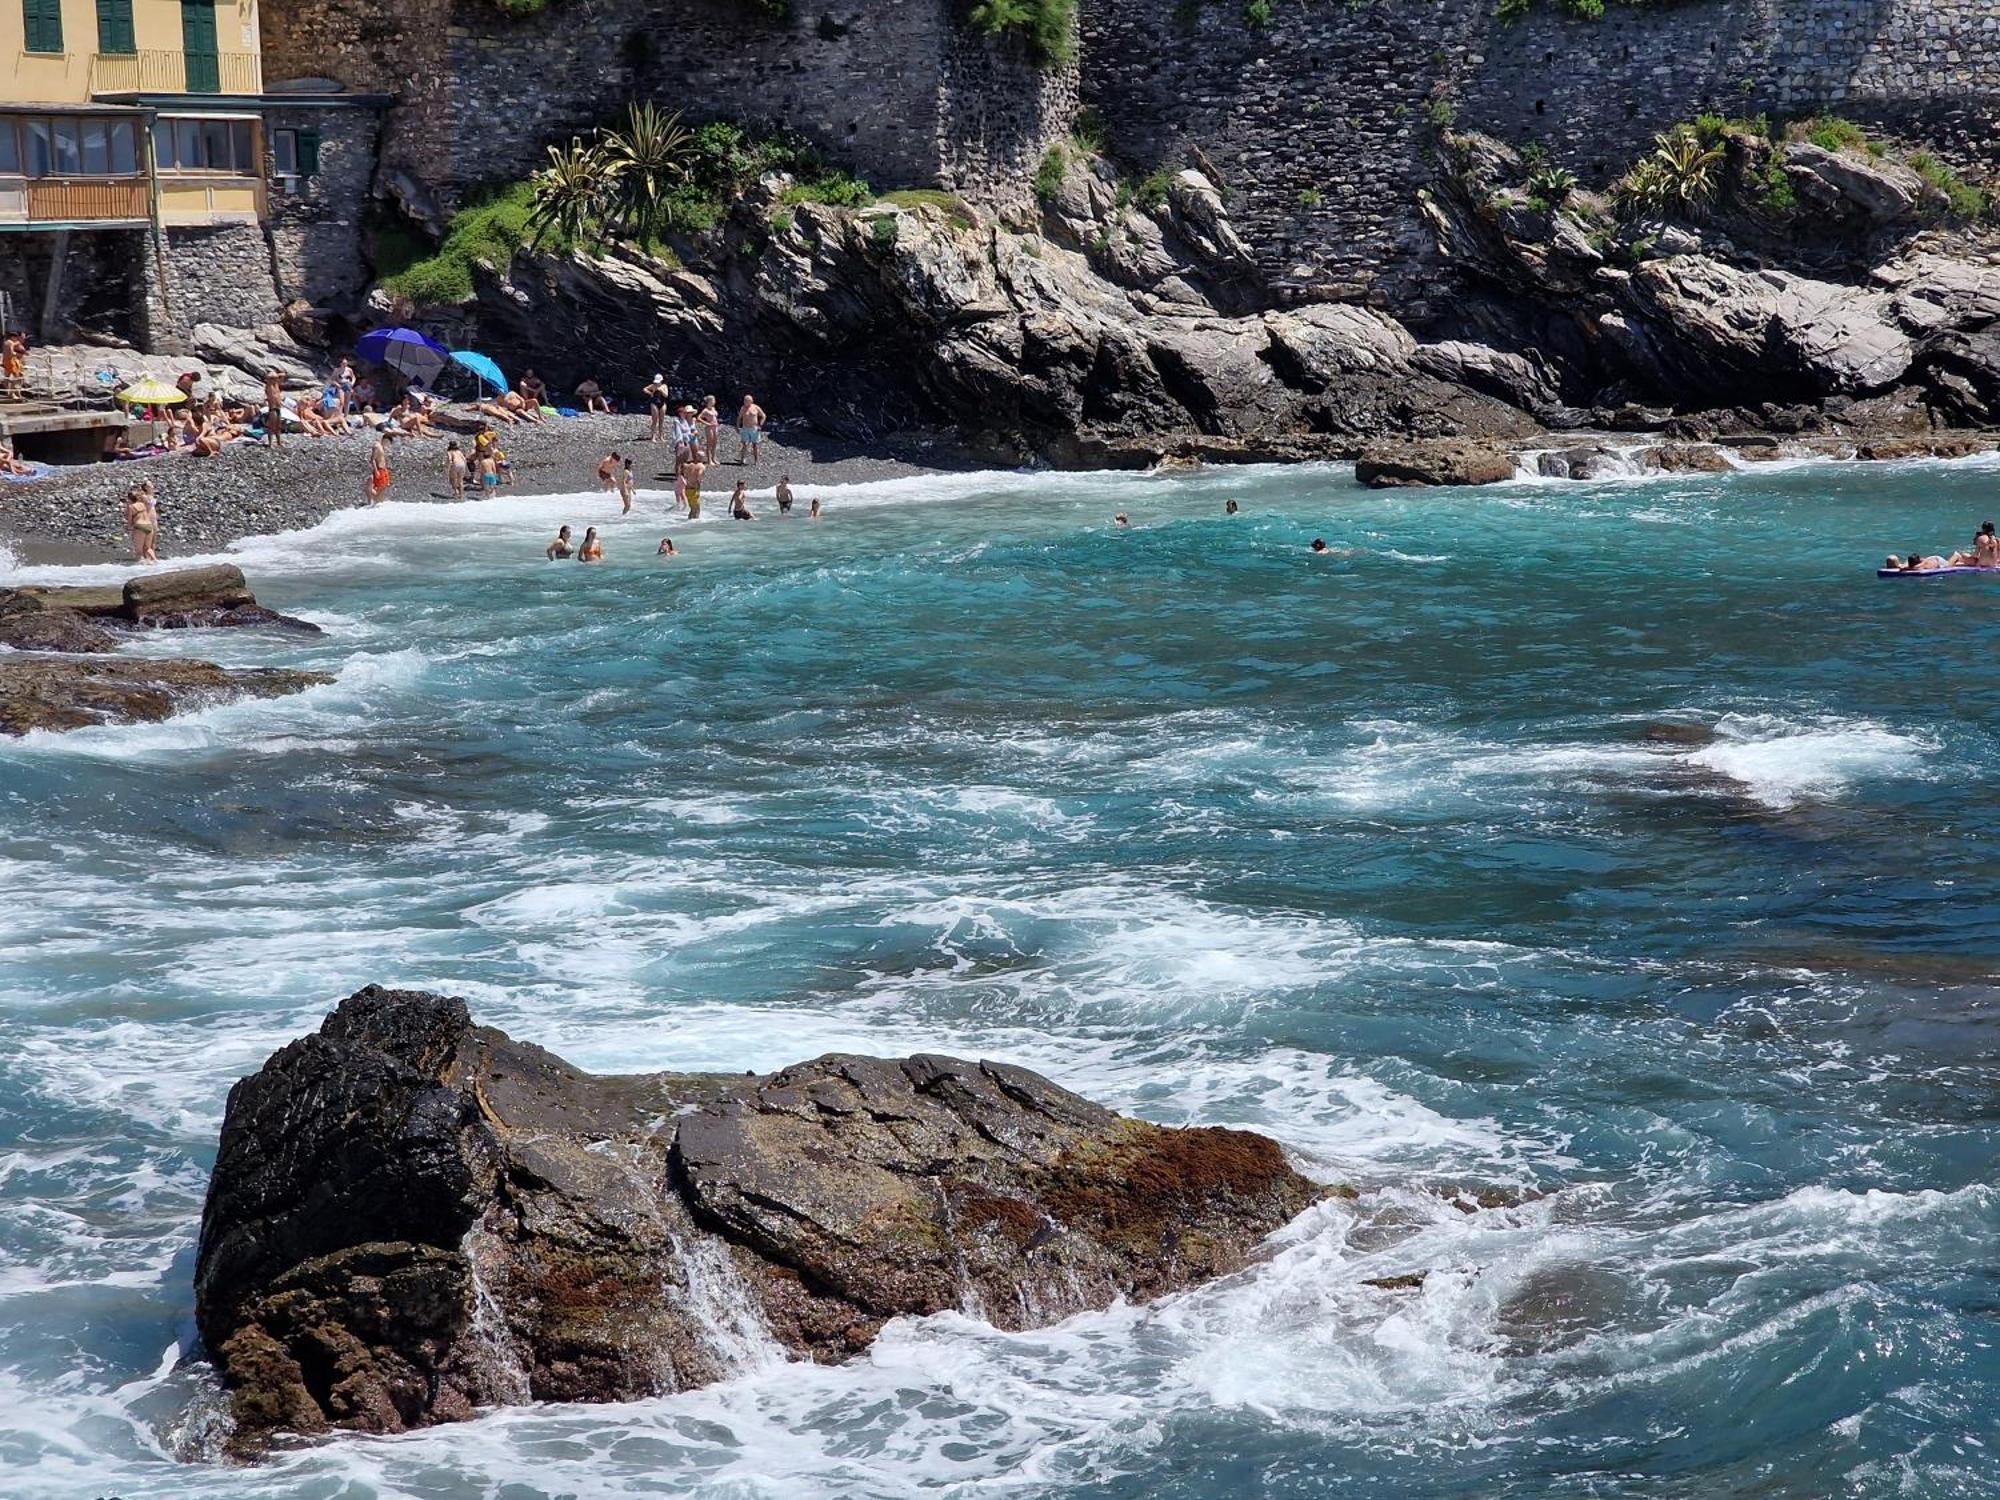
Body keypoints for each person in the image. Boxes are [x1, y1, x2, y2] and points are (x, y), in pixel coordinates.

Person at [125, 481, 158, 562]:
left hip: (140, 525)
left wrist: (129, 527)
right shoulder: (143, 502)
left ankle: (141, 566)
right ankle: (155, 562)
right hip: (149, 523)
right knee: (148, 547)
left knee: (139, 551)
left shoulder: (131, 506)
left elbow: (129, 520)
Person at [736, 392, 766, 466]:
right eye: (745, 400)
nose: (745, 402)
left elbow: (763, 416)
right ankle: (742, 459)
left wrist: (760, 425)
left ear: (751, 401)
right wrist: (737, 427)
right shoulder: (743, 408)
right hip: (745, 428)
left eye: (747, 400)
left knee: (755, 445)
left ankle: (756, 461)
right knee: (745, 444)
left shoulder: (756, 407)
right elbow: (739, 418)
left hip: (754, 428)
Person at [367, 432, 393, 504]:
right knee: (379, 486)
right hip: (379, 469)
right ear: (385, 440)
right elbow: (372, 459)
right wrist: (376, 471)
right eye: (388, 443)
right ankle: (375, 501)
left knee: (384, 486)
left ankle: (379, 502)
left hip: (383, 469)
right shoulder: (377, 446)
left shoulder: (381, 446)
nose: (388, 445)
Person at [644, 374, 670, 443]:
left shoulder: (664, 386)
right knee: (654, 420)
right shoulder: (653, 385)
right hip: (654, 403)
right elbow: (644, 389)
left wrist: (661, 390)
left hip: (662, 403)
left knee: (662, 420)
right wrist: (650, 393)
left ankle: (661, 436)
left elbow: (666, 395)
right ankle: (653, 436)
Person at [1, 330, 26, 400]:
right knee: (17, 377)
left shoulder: (5, 342)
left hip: (5, 361)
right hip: (11, 361)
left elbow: (4, 353)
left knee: (7, 377)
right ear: (12, 337)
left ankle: (10, 392)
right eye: (15, 337)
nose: (16, 339)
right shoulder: (11, 343)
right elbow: (11, 352)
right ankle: (12, 393)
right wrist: (18, 354)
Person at [262, 371, 285, 447]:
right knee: (272, 427)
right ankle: (270, 443)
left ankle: (279, 442)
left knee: (278, 426)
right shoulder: (269, 386)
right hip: (272, 408)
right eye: (274, 378)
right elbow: (269, 377)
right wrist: (274, 375)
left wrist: (277, 375)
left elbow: (283, 375)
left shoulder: (276, 385)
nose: (276, 379)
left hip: (278, 408)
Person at [681, 449, 705, 519]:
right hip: (694, 489)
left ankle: (689, 523)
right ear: (701, 457)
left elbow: (684, 474)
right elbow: (699, 476)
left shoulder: (689, 465)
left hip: (687, 488)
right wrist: (699, 485)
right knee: (697, 509)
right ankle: (695, 526)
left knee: (692, 509)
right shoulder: (701, 466)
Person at [698, 395, 721, 464]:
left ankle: (713, 458)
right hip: (709, 427)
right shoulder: (705, 410)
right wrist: (707, 423)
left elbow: (715, 417)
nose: (714, 401)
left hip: (715, 427)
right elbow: (699, 418)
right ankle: (709, 459)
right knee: (709, 443)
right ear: (709, 401)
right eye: (713, 400)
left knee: (715, 443)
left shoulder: (713, 408)